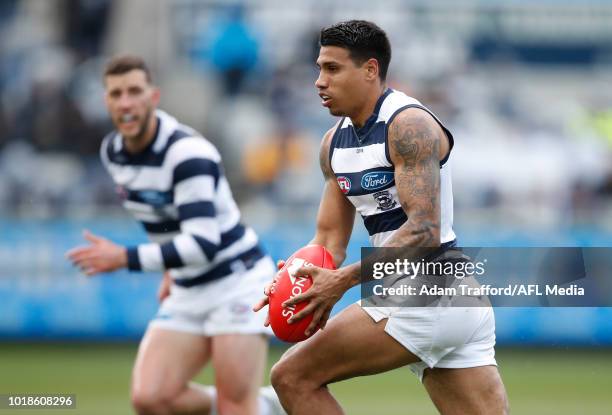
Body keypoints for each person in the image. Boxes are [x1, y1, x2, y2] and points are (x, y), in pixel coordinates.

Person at [254, 20, 509, 414]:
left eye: (333, 69)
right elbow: (326, 242)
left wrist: (342, 281)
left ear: (370, 70)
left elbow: (424, 231)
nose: (320, 81)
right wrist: (295, 278)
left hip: (430, 289)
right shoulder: (333, 144)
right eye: (319, 68)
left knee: (291, 377)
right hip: (451, 299)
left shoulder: (408, 124)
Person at [67, 55, 284, 415]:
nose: (125, 102)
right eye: (116, 93)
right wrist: (172, 268)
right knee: (151, 398)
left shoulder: (187, 154)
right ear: (107, 102)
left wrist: (125, 258)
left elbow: (202, 243)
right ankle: (263, 404)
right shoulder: (114, 153)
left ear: (153, 97)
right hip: (189, 283)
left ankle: (248, 404)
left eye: (134, 91)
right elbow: (163, 218)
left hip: (236, 279)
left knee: (235, 407)